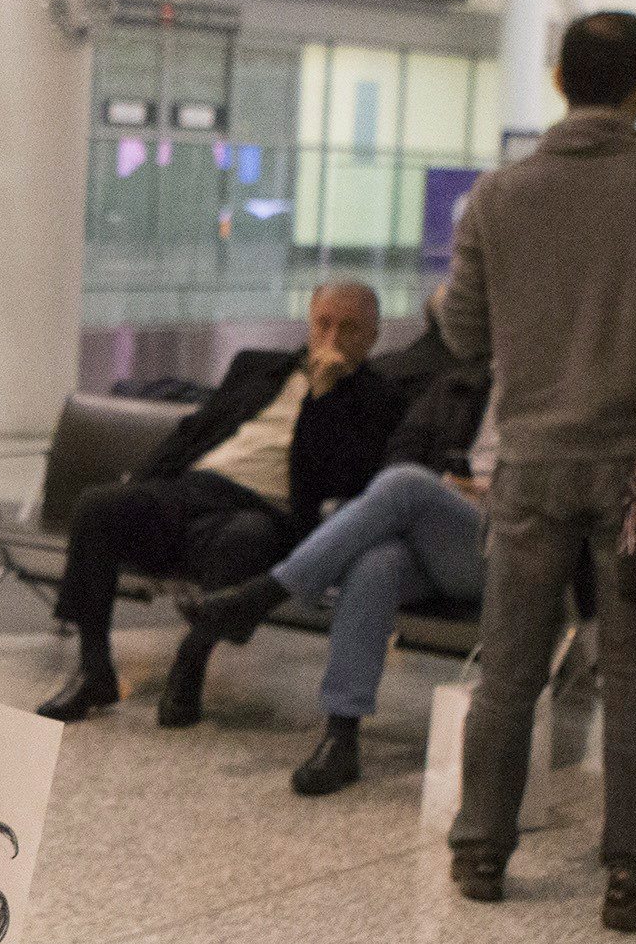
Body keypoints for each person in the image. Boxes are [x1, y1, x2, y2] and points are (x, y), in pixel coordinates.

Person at [435, 11, 636, 932]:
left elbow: (462, 336)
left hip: (530, 462)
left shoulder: (496, 195)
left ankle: (481, 851)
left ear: (558, 75)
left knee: (509, 670)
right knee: (635, 675)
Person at [36, 282, 398, 726]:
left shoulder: (378, 398)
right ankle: (93, 669)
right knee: (99, 507)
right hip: (198, 487)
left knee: (244, 540)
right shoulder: (257, 367)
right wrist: (145, 479)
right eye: (324, 323)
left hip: (269, 510)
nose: (332, 338)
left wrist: (322, 399)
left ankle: (191, 660)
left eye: (350, 328)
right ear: (308, 319)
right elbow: (197, 428)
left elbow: (341, 477)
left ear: (373, 336)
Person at [176, 315, 492, 795]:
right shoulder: (457, 385)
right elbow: (400, 454)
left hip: (503, 546)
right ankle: (341, 735)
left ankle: (264, 593)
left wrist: (488, 491)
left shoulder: (559, 404)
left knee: (405, 485)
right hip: (432, 532)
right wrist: (443, 486)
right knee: (375, 563)